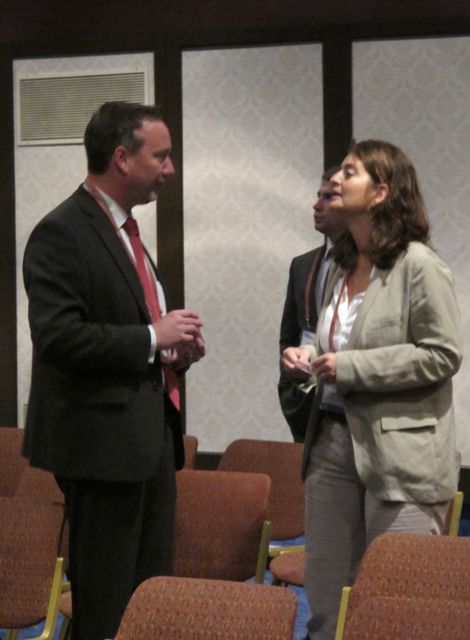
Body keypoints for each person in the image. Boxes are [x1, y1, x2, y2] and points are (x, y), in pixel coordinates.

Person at [22, 101, 205, 640]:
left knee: (149, 602)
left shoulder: (126, 231)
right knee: (106, 609)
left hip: (148, 443)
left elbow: (131, 330)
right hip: (101, 451)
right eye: (161, 156)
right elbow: (58, 338)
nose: (170, 169)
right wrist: (152, 337)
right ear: (122, 158)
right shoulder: (62, 231)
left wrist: (172, 353)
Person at [282, 139, 462, 640]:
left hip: (400, 453)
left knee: (393, 609)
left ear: (381, 192)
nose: (336, 180)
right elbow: (334, 344)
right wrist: (306, 361)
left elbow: (442, 354)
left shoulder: (418, 265)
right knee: (325, 604)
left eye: (350, 172)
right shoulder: (338, 266)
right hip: (331, 444)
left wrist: (352, 367)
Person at [278, 168, 342, 442]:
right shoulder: (302, 264)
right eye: (318, 196)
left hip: (349, 401)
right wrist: (289, 381)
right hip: (305, 400)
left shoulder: (369, 266)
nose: (316, 206)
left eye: (328, 197)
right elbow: (289, 335)